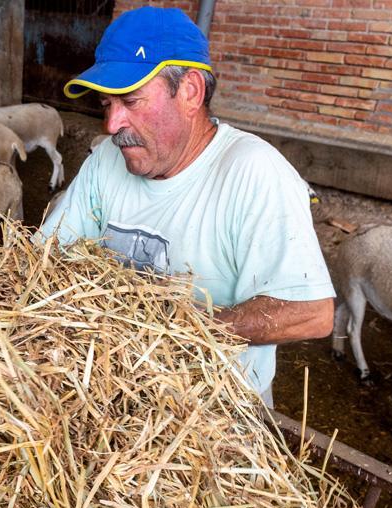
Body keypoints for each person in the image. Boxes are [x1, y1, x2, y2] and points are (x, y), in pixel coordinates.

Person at [40, 6, 334, 405]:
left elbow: (311, 311)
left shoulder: (252, 172)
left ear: (190, 92)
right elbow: (45, 260)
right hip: (112, 392)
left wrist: (180, 332)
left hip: (212, 413)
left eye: (130, 100)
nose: (112, 125)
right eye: (107, 105)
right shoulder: (106, 162)